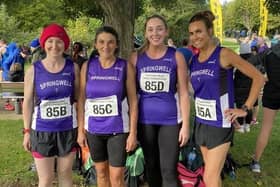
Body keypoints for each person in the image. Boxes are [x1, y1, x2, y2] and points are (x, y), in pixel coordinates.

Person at [188, 10, 264, 187]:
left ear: (210, 32)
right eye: (191, 33)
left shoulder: (224, 54)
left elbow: (258, 78)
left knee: (210, 176)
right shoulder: (194, 60)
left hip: (220, 124)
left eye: (199, 31)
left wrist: (244, 108)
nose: (194, 37)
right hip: (201, 123)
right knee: (211, 174)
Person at [130, 14, 190, 187]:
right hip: (145, 121)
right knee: (151, 167)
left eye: (159, 29)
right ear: (145, 33)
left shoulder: (176, 56)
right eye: (150, 29)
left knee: (169, 170)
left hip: (170, 121)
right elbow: (130, 94)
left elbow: (184, 93)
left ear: (166, 32)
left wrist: (185, 125)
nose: (154, 33)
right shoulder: (136, 57)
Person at [77, 26, 138, 187]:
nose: (106, 46)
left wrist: (133, 133)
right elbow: (81, 99)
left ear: (116, 45)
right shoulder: (87, 66)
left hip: (118, 130)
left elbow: (133, 101)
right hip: (93, 130)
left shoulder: (125, 66)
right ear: (95, 44)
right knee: (101, 174)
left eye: (110, 42)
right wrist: (80, 130)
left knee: (117, 177)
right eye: (102, 42)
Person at [22, 23, 80, 187]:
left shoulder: (73, 68)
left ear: (65, 44)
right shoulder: (34, 70)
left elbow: (78, 98)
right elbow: (27, 103)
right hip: (42, 130)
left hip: (67, 129)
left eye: (59, 41)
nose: (54, 46)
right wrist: (26, 131)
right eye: (50, 41)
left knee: (65, 175)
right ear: (44, 43)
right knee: (46, 179)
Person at [250, 41, 280, 173]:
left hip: (271, 93)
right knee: (266, 128)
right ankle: (255, 161)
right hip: (272, 92)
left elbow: (250, 61)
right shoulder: (269, 52)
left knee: (266, 128)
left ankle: (256, 161)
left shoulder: (269, 52)